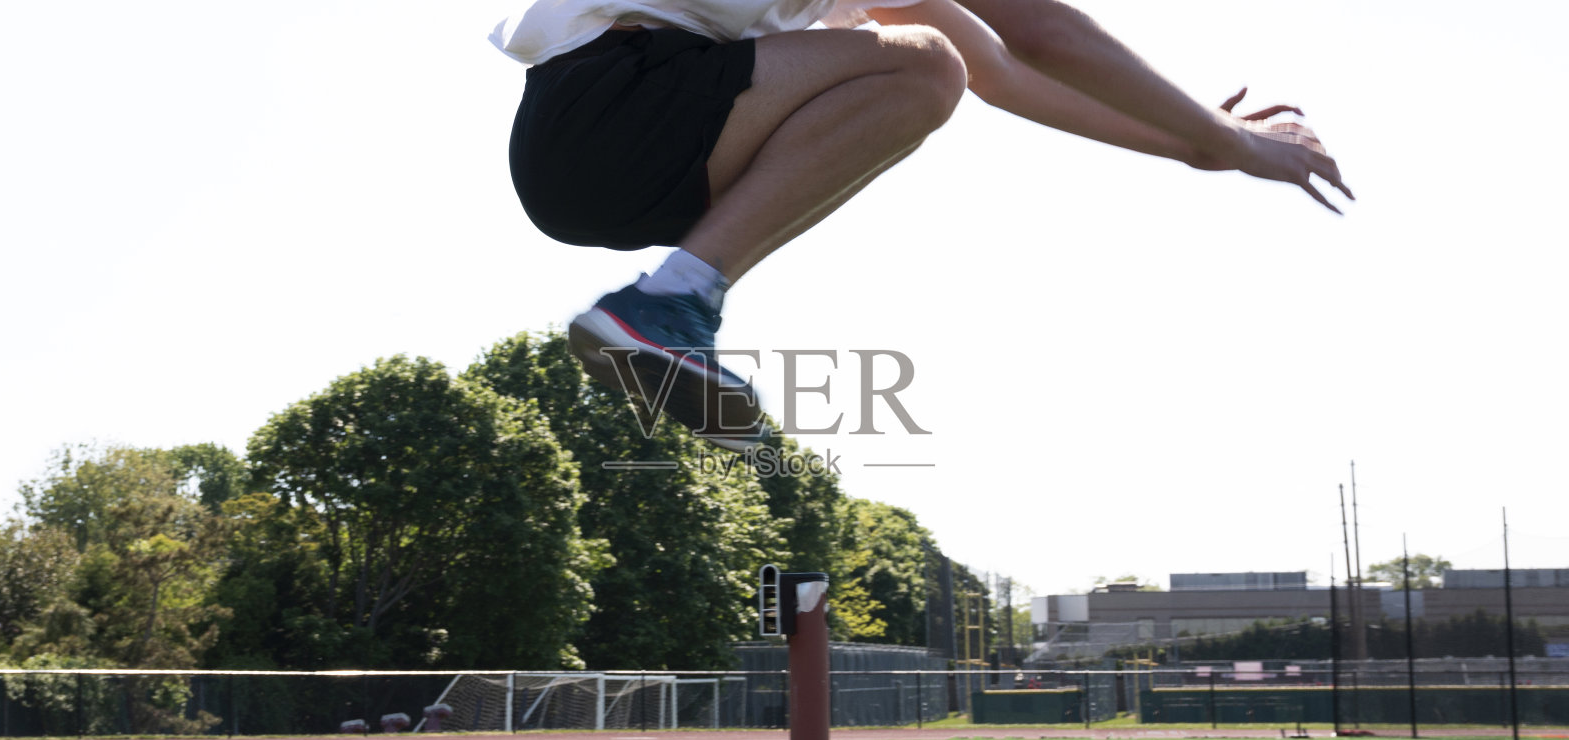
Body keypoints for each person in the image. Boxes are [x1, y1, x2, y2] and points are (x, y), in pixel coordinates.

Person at [491, 0, 1352, 450]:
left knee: (917, 69)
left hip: (605, 160)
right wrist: (1225, 139)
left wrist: (1197, 147)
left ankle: (673, 301)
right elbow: (1040, 31)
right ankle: (672, 300)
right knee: (919, 67)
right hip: (611, 110)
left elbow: (1002, 70)